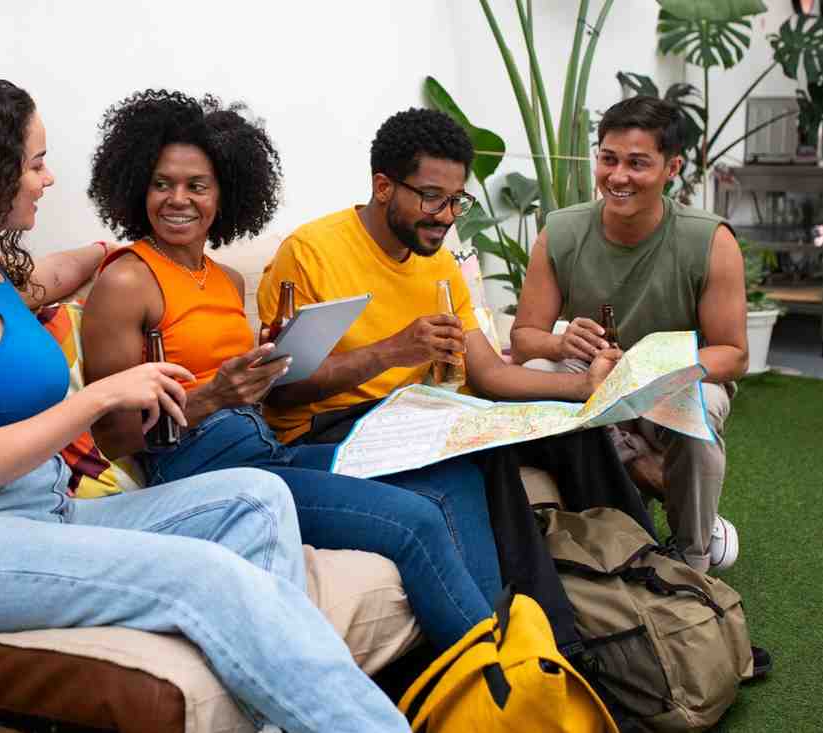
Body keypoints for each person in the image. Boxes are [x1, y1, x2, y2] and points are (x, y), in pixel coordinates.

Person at [0, 79, 410, 733]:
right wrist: (105, 393)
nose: (48, 179)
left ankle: (282, 714)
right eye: (35, 162)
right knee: (203, 576)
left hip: (40, 512)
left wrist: (105, 255)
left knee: (256, 498)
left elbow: (50, 275)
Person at [82, 89, 503, 653]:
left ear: (223, 194)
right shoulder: (127, 280)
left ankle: (506, 650)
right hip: (201, 474)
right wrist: (213, 396)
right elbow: (109, 435)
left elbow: (252, 393)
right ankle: (491, 674)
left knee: (455, 475)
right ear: (139, 188)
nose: (178, 200)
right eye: (163, 184)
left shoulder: (226, 279)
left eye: (196, 186)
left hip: (264, 454)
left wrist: (277, 362)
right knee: (415, 522)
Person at [256, 107, 657, 651]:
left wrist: (583, 392)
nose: (446, 217)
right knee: (481, 454)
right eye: (431, 198)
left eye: (456, 201)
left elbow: (489, 373)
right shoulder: (311, 253)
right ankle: (558, 647)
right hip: (331, 431)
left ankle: (656, 588)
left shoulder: (438, 263)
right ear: (382, 186)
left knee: (571, 429)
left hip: (420, 418)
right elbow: (283, 388)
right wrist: (395, 349)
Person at [510, 96, 747, 573]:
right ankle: (596, 518)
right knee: (536, 373)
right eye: (608, 159)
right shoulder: (561, 231)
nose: (617, 177)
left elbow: (734, 355)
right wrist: (560, 342)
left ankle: (691, 558)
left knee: (699, 409)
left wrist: (666, 369)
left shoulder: (709, 239)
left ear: (671, 168)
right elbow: (524, 339)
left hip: (675, 376)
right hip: (594, 373)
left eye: (637, 163)